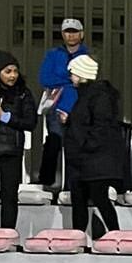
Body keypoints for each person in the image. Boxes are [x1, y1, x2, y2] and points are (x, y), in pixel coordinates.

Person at [62, 54, 124, 238]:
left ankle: (115, 236)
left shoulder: (99, 95)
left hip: (95, 159)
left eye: (73, 73)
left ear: (82, 74)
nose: (70, 77)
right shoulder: (86, 95)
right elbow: (85, 122)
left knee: (99, 197)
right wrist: (69, 121)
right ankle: (78, 238)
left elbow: (101, 126)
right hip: (84, 159)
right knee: (79, 200)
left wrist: (86, 145)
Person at [36, 18, 88, 188]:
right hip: (56, 107)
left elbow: (89, 80)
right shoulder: (53, 54)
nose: (70, 35)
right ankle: (46, 183)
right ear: (62, 34)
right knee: (53, 143)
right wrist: (71, 79)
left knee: (78, 148)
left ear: (81, 34)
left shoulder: (88, 55)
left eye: (74, 31)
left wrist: (62, 79)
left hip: (80, 108)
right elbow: (44, 79)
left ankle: (75, 185)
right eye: (67, 31)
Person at [0, 51, 37, 229]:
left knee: (9, 195)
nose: (12, 75)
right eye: (7, 71)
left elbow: (30, 122)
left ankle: (7, 234)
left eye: (15, 71)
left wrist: (5, 117)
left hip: (11, 150)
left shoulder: (23, 93)